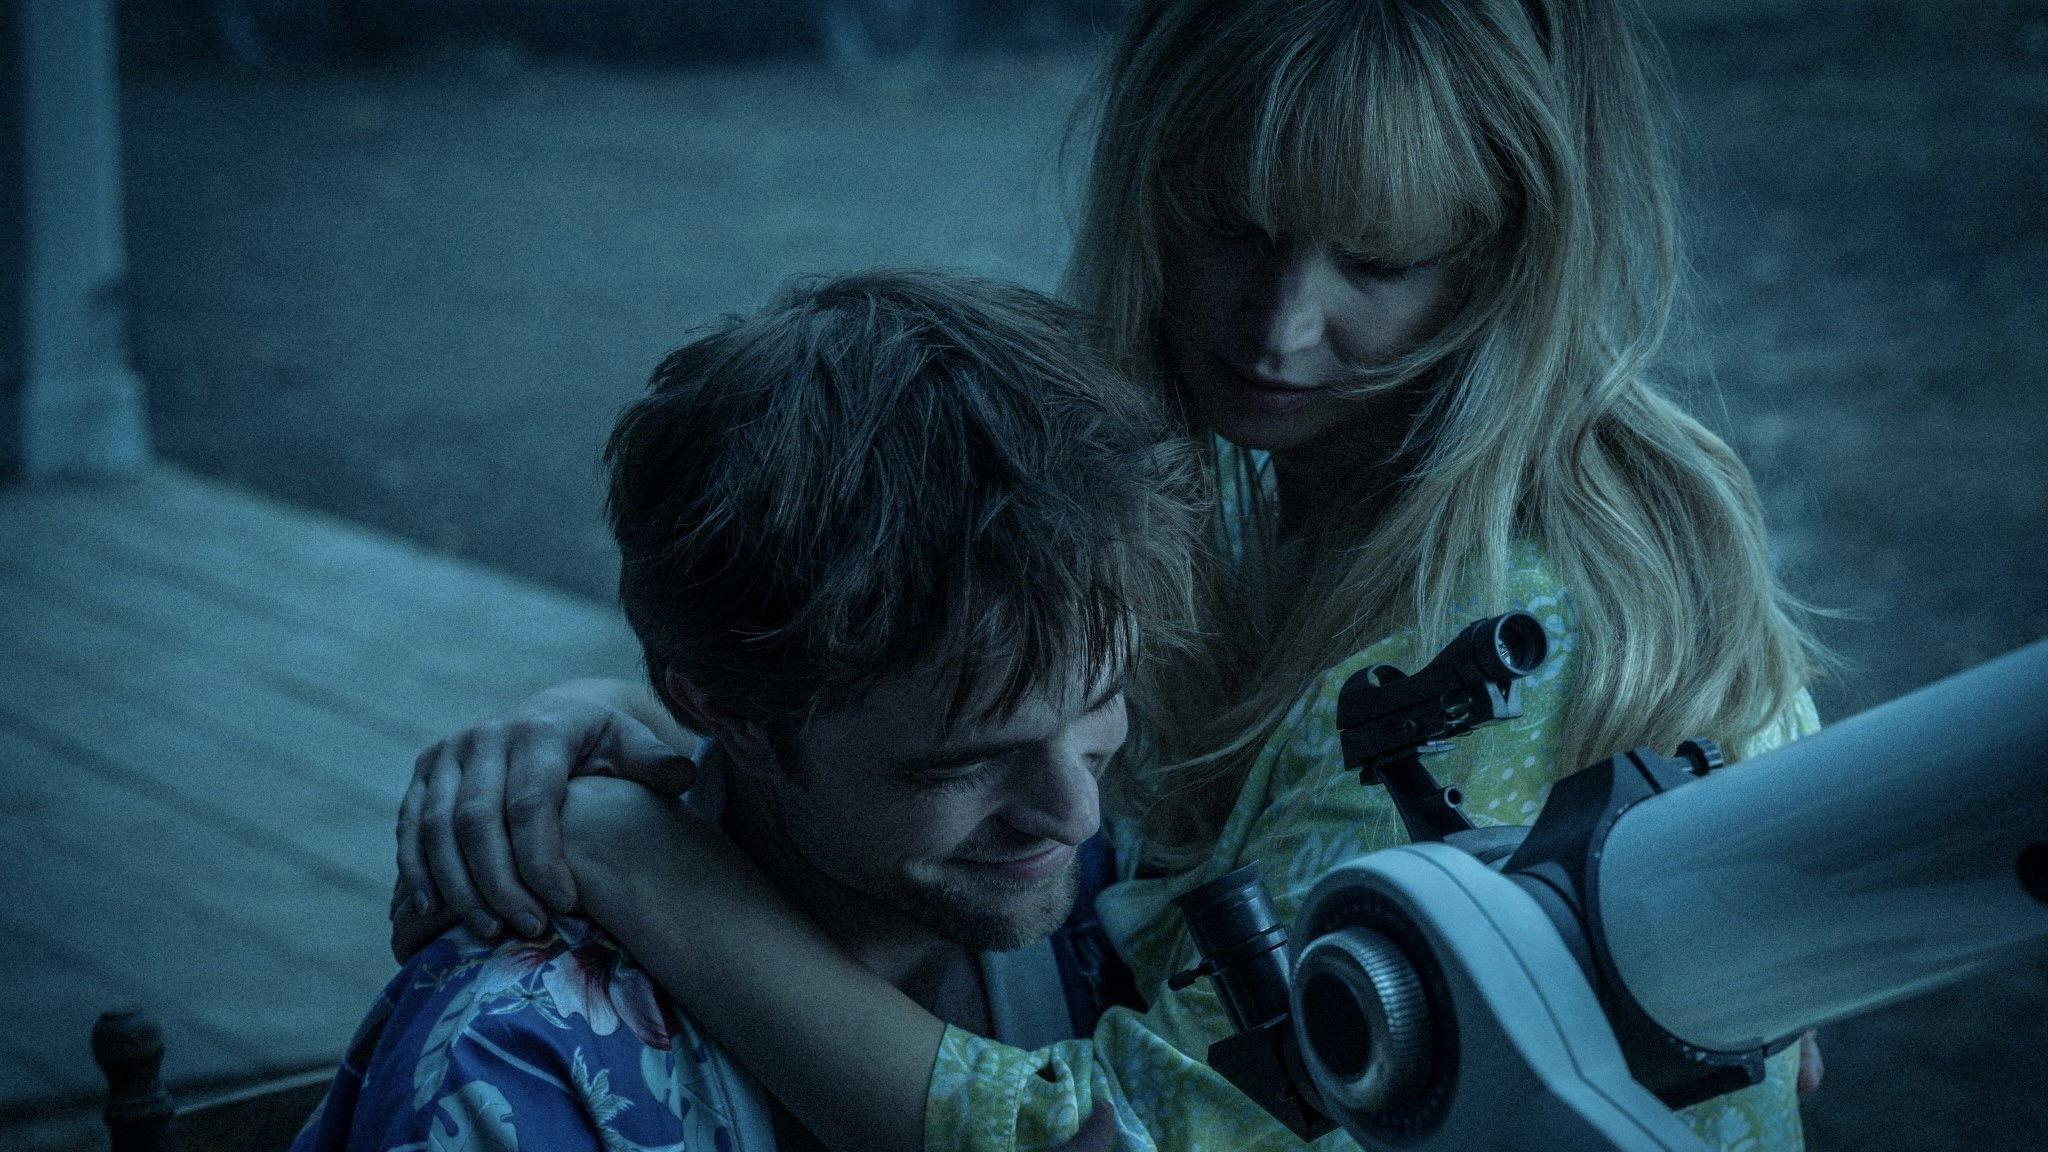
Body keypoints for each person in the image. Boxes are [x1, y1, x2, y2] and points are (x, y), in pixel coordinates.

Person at [394, 0, 1829, 1147]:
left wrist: (640, 858)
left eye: (1380, 263)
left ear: (1511, 259)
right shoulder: (1243, 499)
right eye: (1234, 229)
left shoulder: (1522, 628)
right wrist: (652, 725)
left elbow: (1139, 1138)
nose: (1278, 329)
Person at [293, 269, 1205, 1152]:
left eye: (1101, 701)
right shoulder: (514, 1068)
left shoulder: (1135, 898)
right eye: (965, 762)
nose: (1077, 814)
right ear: (729, 711)